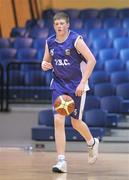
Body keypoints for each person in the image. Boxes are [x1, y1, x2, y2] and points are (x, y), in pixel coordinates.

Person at [41, 12, 99, 173]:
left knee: (75, 123)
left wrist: (82, 83)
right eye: (56, 24)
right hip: (59, 85)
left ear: (68, 25)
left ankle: (91, 142)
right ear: (54, 26)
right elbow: (46, 61)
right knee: (58, 119)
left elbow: (92, 60)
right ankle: (61, 161)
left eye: (62, 23)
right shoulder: (50, 42)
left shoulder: (76, 40)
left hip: (76, 86)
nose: (59, 26)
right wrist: (44, 65)